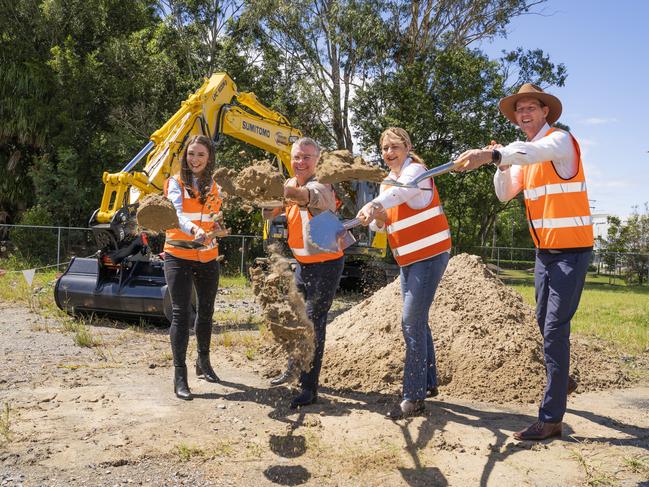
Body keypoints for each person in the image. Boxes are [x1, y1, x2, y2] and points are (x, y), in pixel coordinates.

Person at [453, 83, 592, 440]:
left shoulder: (559, 142)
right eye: (519, 110)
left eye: (531, 107)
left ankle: (551, 419)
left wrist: (493, 156)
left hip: (572, 251)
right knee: (545, 323)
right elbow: (503, 193)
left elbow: (530, 152)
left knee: (554, 329)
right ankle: (562, 380)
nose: (524, 113)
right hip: (545, 254)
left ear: (546, 112)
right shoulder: (524, 156)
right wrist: (498, 163)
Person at [357, 127, 452, 420]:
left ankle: (413, 397)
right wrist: (377, 216)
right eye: (384, 148)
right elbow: (382, 223)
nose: (389, 153)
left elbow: (403, 193)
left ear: (408, 146)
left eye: (394, 147)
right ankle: (429, 382)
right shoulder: (388, 183)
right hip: (408, 259)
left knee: (410, 321)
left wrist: (373, 205)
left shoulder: (417, 173)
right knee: (417, 320)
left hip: (430, 254)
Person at [263, 137, 345, 409]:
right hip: (302, 264)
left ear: (317, 160)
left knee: (312, 324)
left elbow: (305, 197)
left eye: (306, 157)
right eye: (296, 156)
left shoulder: (321, 184)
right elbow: (267, 213)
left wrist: (281, 189)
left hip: (326, 265)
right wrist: (262, 195)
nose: (300, 162)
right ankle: (294, 369)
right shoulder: (289, 184)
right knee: (297, 321)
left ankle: (309, 389)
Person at [163, 134, 226, 400]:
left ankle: (204, 363)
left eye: (201, 154)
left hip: (208, 256)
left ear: (209, 157)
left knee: (207, 311)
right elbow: (177, 214)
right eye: (191, 154)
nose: (195, 159)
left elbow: (213, 217)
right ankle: (180, 376)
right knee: (180, 314)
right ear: (185, 156)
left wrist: (217, 227)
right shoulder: (175, 183)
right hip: (178, 255)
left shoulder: (216, 186)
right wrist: (195, 229)